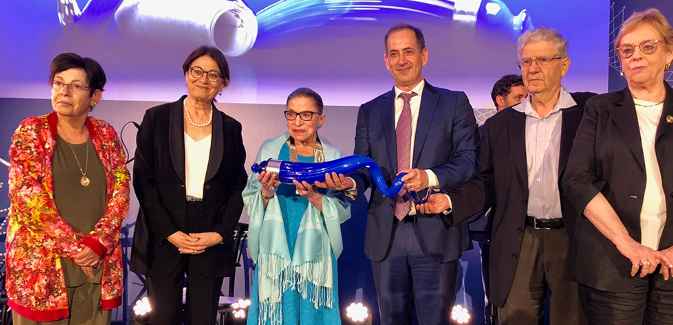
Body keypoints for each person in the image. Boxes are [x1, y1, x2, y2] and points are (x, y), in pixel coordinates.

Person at [562, 8, 673, 324]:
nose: (636, 57)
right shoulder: (599, 109)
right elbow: (577, 179)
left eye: (648, 46)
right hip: (612, 265)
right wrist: (628, 244)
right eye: (627, 50)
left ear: (669, 53)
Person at [419, 27, 594, 324]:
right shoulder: (500, 125)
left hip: (575, 239)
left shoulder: (590, 111)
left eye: (543, 60)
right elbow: (488, 182)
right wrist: (449, 200)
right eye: (526, 62)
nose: (533, 69)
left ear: (564, 65)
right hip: (517, 241)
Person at [325, 23, 478, 325]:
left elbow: (469, 159)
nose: (402, 60)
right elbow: (365, 168)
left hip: (436, 229)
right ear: (386, 60)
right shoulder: (369, 110)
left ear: (424, 55)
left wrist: (429, 177)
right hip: (387, 234)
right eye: (394, 53)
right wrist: (349, 183)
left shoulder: (453, 102)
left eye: (408, 51)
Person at [5, 53, 129, 324]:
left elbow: (120, 192)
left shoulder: (106, 134)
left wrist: (96, 244)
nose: (64, 91)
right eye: (58, 83)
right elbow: (27, 199)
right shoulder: (31, 132)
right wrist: (76, 249)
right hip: (43, 269)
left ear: (94, 97)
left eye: (76, 85)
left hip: (97, 264)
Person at [130, 46, 249, 325]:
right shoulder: (156, 118)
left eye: (213, 74)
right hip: (164, 232)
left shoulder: (231, 128)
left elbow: (238, 186)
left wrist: (219, 234)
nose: (203, 79)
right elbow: (144, 181)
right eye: (197, 71)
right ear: (186, 74)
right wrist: (169, 231)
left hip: (209, 234)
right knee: (162, 317)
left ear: (223, 84)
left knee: (203, 319)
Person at [243, 87, 351, 325]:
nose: (297, 121)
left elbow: (342, 208)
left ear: (321, 119)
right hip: (276, 246)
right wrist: (266, 190)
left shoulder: (333, 156)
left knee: (314, 310)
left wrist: (314, 196)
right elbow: (251, 197)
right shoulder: (270, 150)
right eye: (291, 114)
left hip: (315, 251)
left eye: (306, 115)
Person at [473, 73, 527, 325]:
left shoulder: (536, 131)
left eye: (527, 96)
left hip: (530, 227)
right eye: (519, 98)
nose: (526, 102)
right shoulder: (482, 134)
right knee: (496, 292)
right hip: (493, 226)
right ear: (500, 101)